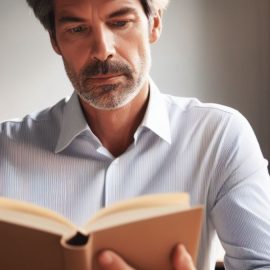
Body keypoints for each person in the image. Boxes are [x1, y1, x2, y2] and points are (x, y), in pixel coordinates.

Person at [1, 0, 270, 269]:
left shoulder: (219, 136)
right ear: (55, 40)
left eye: (120, 23)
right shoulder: (7, 148)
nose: (102, 51)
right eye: (77, 29)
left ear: (154, 24)